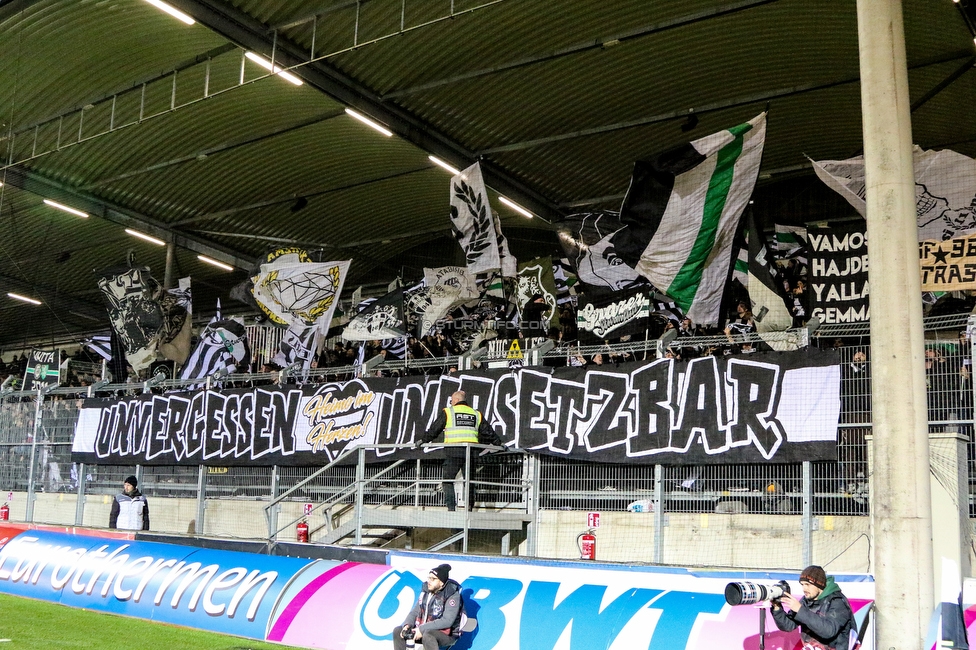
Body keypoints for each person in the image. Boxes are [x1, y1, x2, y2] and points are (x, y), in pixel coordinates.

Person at [417, 390, 502, 511]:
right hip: (471, 452)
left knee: (448, 480)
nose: (451, 402)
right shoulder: (476, 413)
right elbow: (488, 431)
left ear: (456, 400)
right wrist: (499, 444)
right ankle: (469, 508)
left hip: (454, 451)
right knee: (470, 481)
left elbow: (434, 429)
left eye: (451, 400)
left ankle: (451, 509)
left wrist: (423, 440)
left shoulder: (449, 412)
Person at [770, 565, 855, 650]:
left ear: (819, 584)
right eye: (802, 584)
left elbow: (829, 631)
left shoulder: (837, 602)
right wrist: (776, 607)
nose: (804, 588)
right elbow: (788, 625)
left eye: (807, 584)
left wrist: (800, 610)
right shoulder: (807, 600)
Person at [394, 564, 464, 650]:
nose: (429, 581)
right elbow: (415, 612)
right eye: (429, 578)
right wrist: (407, 625)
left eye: (433, 579)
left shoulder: (452, 595)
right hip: (423, 629)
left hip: (447, 634)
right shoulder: (426, 592)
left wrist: (421, 629)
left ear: (441, 582)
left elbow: (447, 621)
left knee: (428, 635)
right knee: (398, 631)